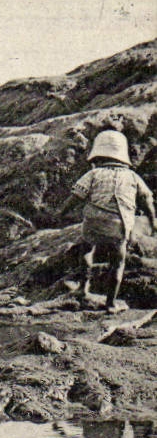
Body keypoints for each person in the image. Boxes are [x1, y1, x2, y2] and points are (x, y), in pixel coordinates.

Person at [66, 130, 155, 313]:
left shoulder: (94, 174)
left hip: (94, 222)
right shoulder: (132, 177)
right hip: (119, 223)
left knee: (87, 248)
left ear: (97, 156)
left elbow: (76, 196)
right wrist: (153, 220)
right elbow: (147, 200)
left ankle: (83, 288)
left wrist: (61, 212)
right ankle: (110, 303)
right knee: (118, 262)